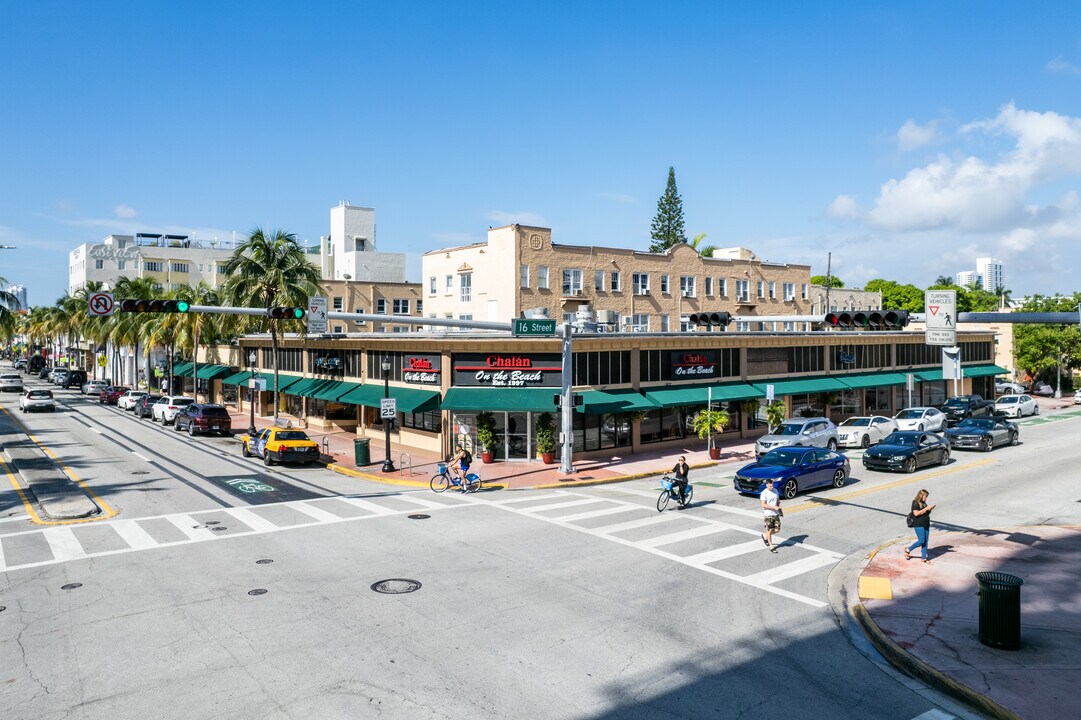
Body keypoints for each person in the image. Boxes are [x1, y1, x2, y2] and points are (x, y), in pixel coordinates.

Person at [906, 489, 936, 563]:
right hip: (918, 524)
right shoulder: (915, 503)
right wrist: (926, 508)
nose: (926, 498)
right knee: (921, 540)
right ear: (921, 496)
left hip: (926, 523)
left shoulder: (924, 503)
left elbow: (925, 513)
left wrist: (930, 509)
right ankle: (908, 549)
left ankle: (923, 558)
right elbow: (916, 513)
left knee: (925, 541)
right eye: (925, 496)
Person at [760, 480, 781, 553]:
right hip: (768, 514)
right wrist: (773, 507)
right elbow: (763, 505)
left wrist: (780, 509)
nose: (772, 487)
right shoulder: (764, 493)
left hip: (776, 513)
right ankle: (771, 546)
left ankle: (765, 536)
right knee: (769, 530)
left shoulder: (775, 491)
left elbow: (778, 501)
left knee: (777, 530)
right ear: (766, 485)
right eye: (770, 486)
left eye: (772, 485)